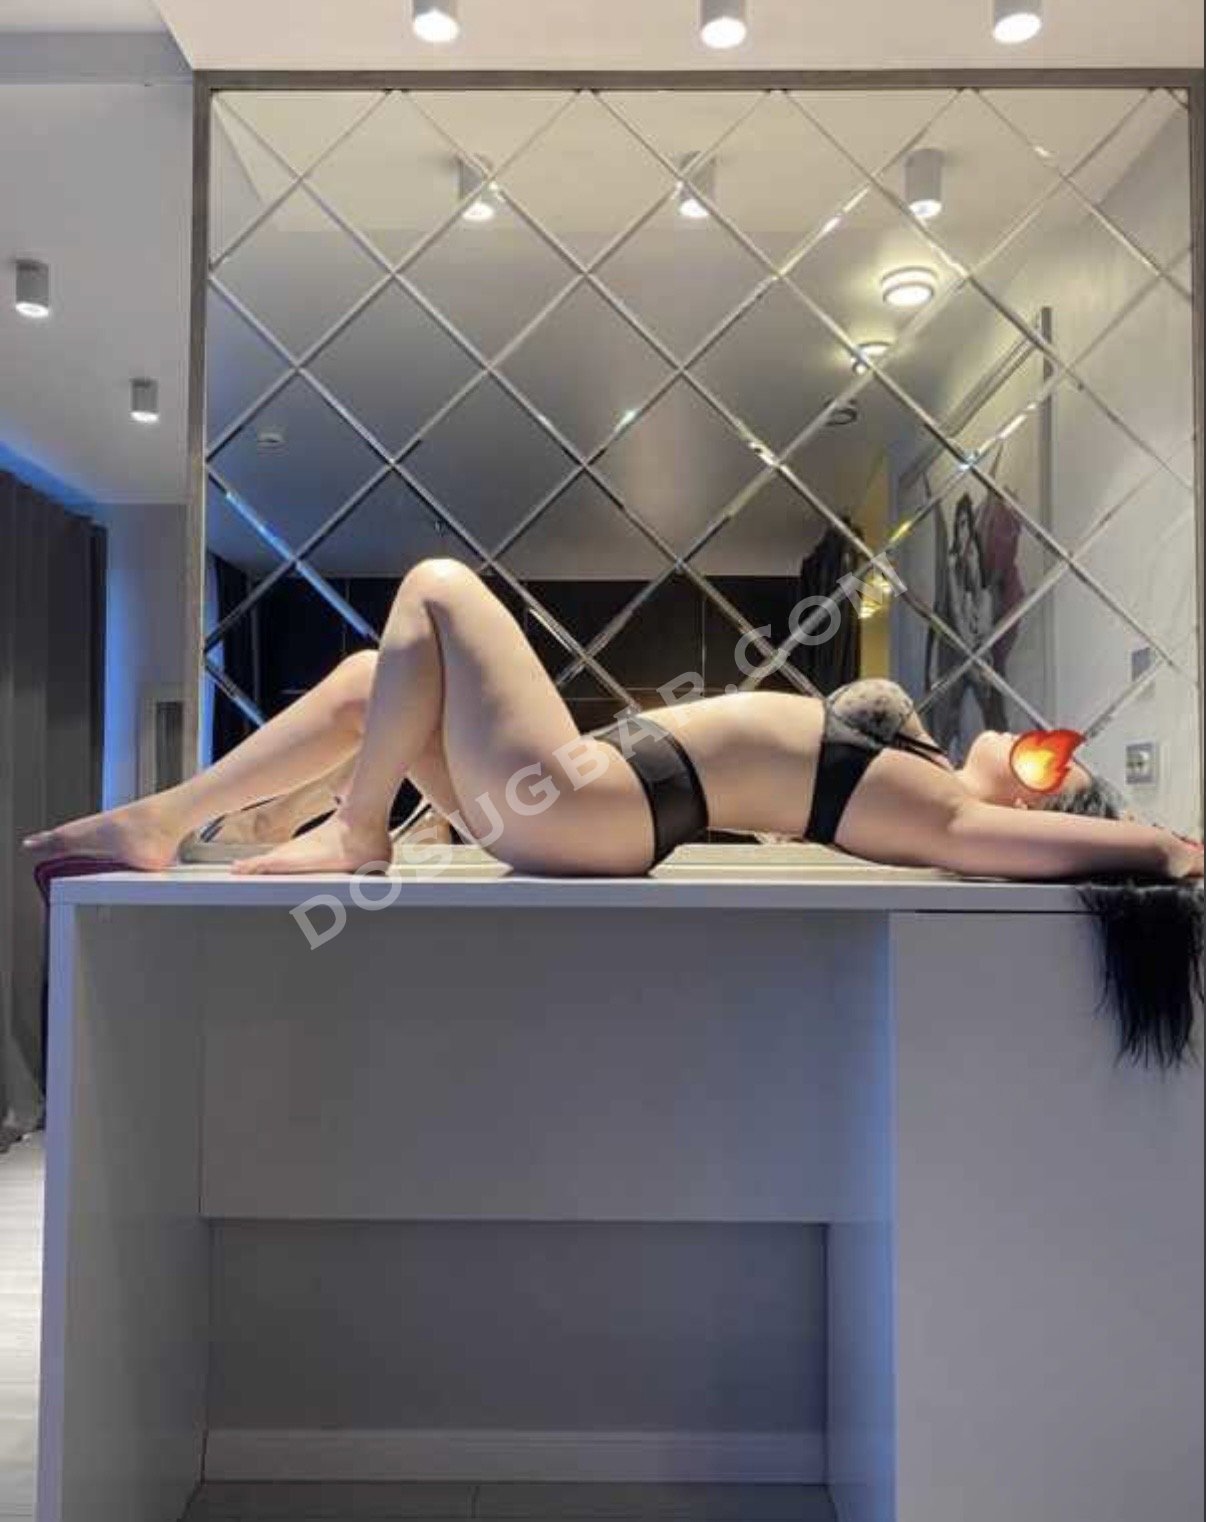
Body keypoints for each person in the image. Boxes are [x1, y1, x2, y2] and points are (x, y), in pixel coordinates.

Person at [24, 558, 1203, 1065]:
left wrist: (1164, 844)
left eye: (1052, 767)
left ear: (1044, 808)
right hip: (588, 796)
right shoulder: (916, 770)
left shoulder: (934, 806)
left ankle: (357, 828)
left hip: (600, 804)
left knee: (437, 586)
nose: (1036, 747)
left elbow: (998, 844)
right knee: (370, 680)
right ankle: (163, 819)